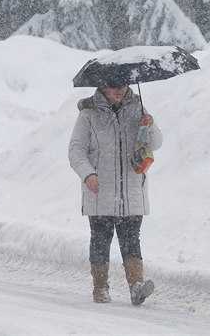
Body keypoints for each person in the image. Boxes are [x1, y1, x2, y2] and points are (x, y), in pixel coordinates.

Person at [68, 84, 162, 306]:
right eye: (114, 86)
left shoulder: (137, 107)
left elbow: (156, 143)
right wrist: (88, 174)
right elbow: (76, 150)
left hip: (131, 189)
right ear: (103, 87)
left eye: (123, 85)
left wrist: (149, 124)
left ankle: (136, 288)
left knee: (131, 240)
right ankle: (100, 288)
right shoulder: (89, 114)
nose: (120, 90)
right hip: (100, 190)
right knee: (101, 240)